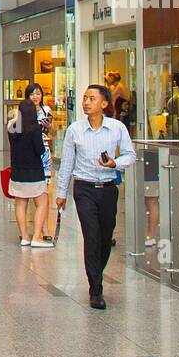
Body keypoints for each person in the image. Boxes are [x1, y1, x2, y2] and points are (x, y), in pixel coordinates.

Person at [55, 83, 137, 309]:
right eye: (84, 98)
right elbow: (67, 164)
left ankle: (95, 272)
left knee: (104, 237)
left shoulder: (117, 128)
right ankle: (96, 289)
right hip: (84, 189)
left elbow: (131, 155)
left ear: (104, 104)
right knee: (91, 236)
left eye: (91, 98)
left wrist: (115, 163)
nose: (86, 102)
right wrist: (61, 192)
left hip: (108, 188)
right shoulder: (75, 130)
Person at [7, 85, 51, 247]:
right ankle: (37, 237)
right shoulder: (34, 129)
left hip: (17, 172)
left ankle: (24, 236)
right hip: (34, 172)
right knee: (42, 203)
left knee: (20, 203)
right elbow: (40, 150)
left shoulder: (12, 127)